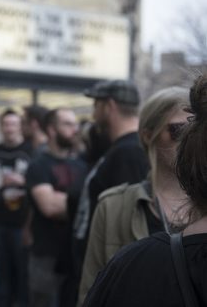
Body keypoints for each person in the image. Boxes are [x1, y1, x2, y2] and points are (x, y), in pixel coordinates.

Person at [82, 75, 207, 307]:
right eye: (178, 130)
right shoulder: (112, 206)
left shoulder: (202, 211)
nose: (190, 137)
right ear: (148, 135)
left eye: (196, 128)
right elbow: (92, 290)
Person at [72, 80, 149, 274]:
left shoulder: (129, 152)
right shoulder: (119, 149)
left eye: (96, 105)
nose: (93, 113)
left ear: (110, 106)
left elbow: (127, 224)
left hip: (107, 271)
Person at [25, 108, 87, 307]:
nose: (75, 129)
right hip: (46, 255)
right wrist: (77, 202)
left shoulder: (82, 165)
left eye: (75, 124)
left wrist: (62, 198)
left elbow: (89, 204)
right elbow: (49, 207)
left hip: (73, 255)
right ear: (51, 130)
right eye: (68, 124)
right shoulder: (39, 165)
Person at [0, 108, 32, 307]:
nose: (10, 129)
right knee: (0, 275)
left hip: (23, 223)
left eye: (14, 124)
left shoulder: (31, 152)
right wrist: (0, 183)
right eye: (6, 124)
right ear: (1, 127)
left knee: (23, 275)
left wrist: (23, 181)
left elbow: (39, 184)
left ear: (20, 126)